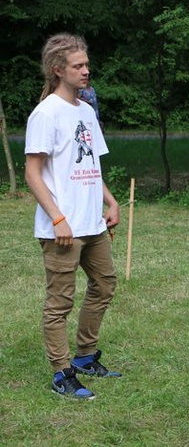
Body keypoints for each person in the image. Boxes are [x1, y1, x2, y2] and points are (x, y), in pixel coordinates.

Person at [25, 33, 121, 400]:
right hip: (61, 228)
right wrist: (57, 218)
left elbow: (91, 165)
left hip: (92, 223)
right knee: (59, 302)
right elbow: (33, 173)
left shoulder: (85, 111)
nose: (86, 70)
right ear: (57, 70)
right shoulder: (46, 113)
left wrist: (110, 203)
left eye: (86, 63)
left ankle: (84, 356)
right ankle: (61, 373)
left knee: (105, 284)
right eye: (78, 65)